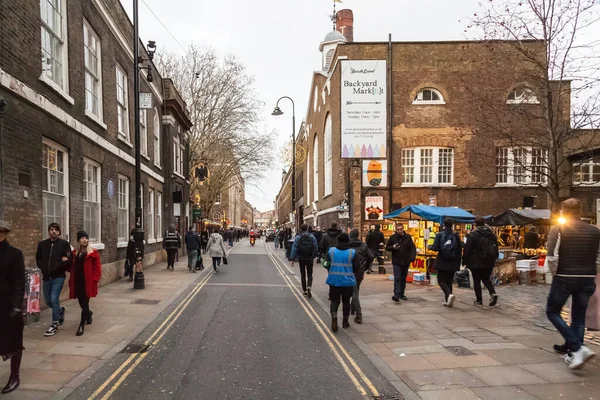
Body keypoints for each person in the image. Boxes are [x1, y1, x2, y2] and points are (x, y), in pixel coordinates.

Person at [546, 198, 600, 370]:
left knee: (552, 311)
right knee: (578, 316)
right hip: (587, 278)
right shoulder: (595, 230)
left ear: (563, 211)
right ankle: (574, 354)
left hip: (564, 276)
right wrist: (592, 273)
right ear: (580, 211)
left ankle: (577, 348)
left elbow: (552, 256)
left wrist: (556, 275)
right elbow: (599, 256)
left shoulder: (558, 229)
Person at [0, 220, 25, 394]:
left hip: (9, 306)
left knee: (14, 342)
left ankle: (14, 376)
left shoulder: (15, 254)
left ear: (3, 234)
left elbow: (19, 283)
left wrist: (16, 306)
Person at [36, 222, 72, 337]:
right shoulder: (42, 244)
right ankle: (60, 310)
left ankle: (54, 324)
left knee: (53, 297)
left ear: (59, 232)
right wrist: (44, 268)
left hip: (58, 276)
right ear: (48, 231)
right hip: (46, 277)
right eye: (51, 229)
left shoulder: (64, 244)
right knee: (48, 301)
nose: (54, 231)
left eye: (56, 230)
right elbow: (39, 259)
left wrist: (58, 266)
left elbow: (68, 260)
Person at [68, 231, 102, 336]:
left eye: (86, 238)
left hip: (87, 283)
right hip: (77, 282)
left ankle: (81, 326)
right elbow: (70, 267)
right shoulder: (74, 253)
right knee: (81, 303)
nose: (84, 240)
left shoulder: (93, 253)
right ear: (78, 240)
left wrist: (94, 280)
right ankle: (89, 313)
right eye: (82, 238)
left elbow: (98, 269)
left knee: (85, 303)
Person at [325, 233, 360, 332]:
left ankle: (334, 315)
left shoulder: (331, 251)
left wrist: (331, 267)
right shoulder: (352, 252)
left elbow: (325, 264)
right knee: (346, 302)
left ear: (338, 240)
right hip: (347, 281)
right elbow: (357, 267)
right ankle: (345, 322)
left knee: (334, 300)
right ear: (348, 241)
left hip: (334, 280)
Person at [464, 217, 499, 306]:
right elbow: (496, 248)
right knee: (486, 279)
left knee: (476, 280)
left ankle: (479, 300)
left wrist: (465, 261)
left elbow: (467, 249)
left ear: (475, 224)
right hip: (489, 261)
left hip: (475, 262)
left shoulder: (473, 235)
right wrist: (495, 258)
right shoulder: (492, 234)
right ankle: (493, 293)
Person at [429, 218, 462, 308]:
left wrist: (431, 247)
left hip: (442, 261)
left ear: (444, 224)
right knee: (449, 281)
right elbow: (460, 248)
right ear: (452, 225)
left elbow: (435, 247)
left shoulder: (440, 234)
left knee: (441, 280)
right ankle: (448, 300)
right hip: (453, 261)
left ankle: (449, 295)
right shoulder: (456, 235)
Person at [348, 229, 374, 324]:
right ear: (358, 235)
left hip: (349, 270)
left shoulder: (347, 246)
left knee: (353, 292)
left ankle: (358, 315)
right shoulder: (363, 246)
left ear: (350, 235)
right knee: (356, 289)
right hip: (359, 271)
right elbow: (371, 257)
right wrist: (365, 267)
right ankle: (352, 309)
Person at [386, 224, 416, 303]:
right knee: (397, 277)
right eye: (398, 229)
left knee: (403, 278)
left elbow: (412, 248)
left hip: (405, 261)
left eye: (400, 229)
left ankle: (401, 293)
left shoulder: (408, 237)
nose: (399, 231)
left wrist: (412, 257)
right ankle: (396, 294)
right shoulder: (393, 238)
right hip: (396, 261)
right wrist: (393, 247)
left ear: (403, 229)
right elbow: (387, 247)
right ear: (396, 230)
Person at [290, 224, 319, 298]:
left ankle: (304, 291)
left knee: (303, 274)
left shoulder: (298, 237)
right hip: (310, 257)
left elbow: (294, 248)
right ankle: (309, 286)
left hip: (301, 258)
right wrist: (315, 256)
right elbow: (315, 247)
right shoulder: (312, 237)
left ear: (301, 229)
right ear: (307, 229)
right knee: (310, 273)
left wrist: (292, 259)